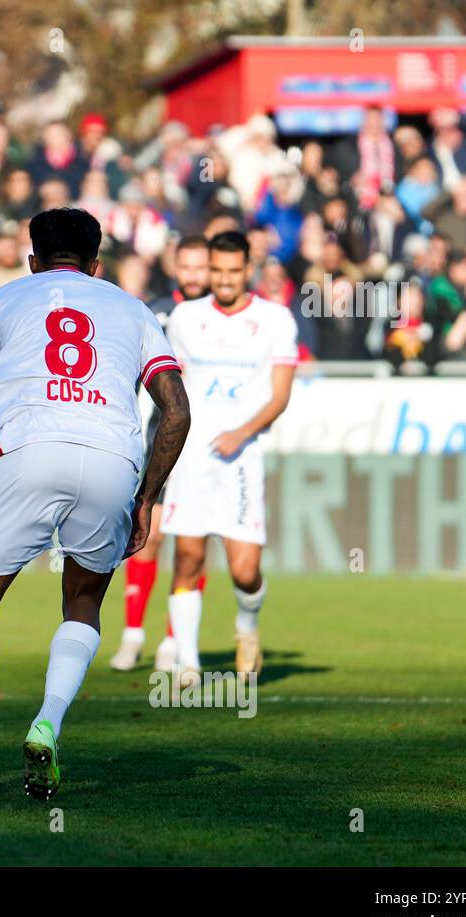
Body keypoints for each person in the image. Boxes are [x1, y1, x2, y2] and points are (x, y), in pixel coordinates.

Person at [0, 208, 190, 802]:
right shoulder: (132, 310)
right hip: (112, 462)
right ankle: (47, 726)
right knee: (81, 605)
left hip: (29, 456)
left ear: (33, 260)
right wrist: (146, 498)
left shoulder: (6, 299)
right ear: (96, 264)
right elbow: (177, 412)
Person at [159, 231, 298, 686]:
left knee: (245, 570)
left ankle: (247, 625)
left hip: (241, 458)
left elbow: (279, 397)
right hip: (192, 457)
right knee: (188, 559)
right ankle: (188, 664)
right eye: (216, 270)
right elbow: (169, 386)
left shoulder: (275, 320)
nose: (222, 279)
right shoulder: (184, 318)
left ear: (247, 270)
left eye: (232, 271)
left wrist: (241, 432)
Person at [111, 234, 210, 672]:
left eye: (200, 266)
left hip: (209, 448)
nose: (192, 274)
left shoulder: (223, 317)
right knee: (147, 536)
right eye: (185, 265)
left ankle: (175, 639)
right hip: (164, 438)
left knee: (191, 545)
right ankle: (133, 634)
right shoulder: (154, 311)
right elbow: (130, 373)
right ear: (174, 265)